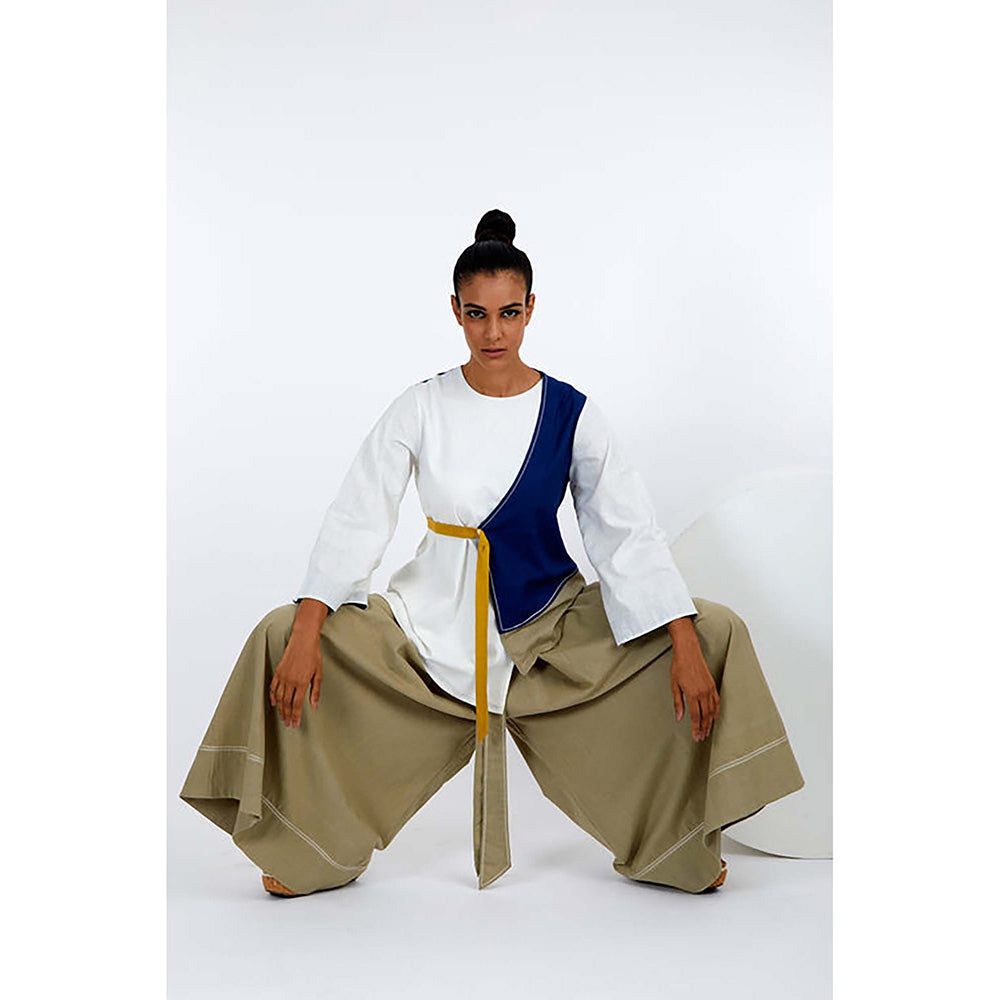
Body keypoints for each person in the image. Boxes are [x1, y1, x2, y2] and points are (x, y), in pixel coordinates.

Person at [179, 208, 805, 897]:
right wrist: (307, 629)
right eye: (477, 315)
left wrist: (681, 640)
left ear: (531, 309)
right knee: (280, 632)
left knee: (714, 631)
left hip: (547, 630)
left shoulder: (570, 413)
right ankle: (309, 850)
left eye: (509, 313)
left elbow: (627, 533)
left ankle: (673, 844)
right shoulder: (421, 406)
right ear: (455, 311)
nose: (494, 332)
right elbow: (357, 515)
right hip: (427, 628)